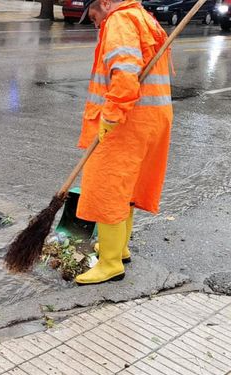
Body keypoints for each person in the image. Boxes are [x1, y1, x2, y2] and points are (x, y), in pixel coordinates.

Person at [74, 0, 173, 285]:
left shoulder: (119, 20)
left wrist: (111, 114)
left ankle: (110, 263)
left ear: (105, 3)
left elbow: (126, 75)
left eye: (93, 15)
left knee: (107, 188)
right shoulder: (143, 18)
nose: (94, 22)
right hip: (150, 119)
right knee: (126, 187)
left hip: (127, 121)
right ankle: (119, 248)